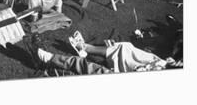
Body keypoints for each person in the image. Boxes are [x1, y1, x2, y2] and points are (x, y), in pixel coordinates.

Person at [28, 31, 180, 75]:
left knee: (89, 67)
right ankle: (86, 48)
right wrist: (175, 64)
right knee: (125, 48)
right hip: (164, 67)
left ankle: (46, 59)